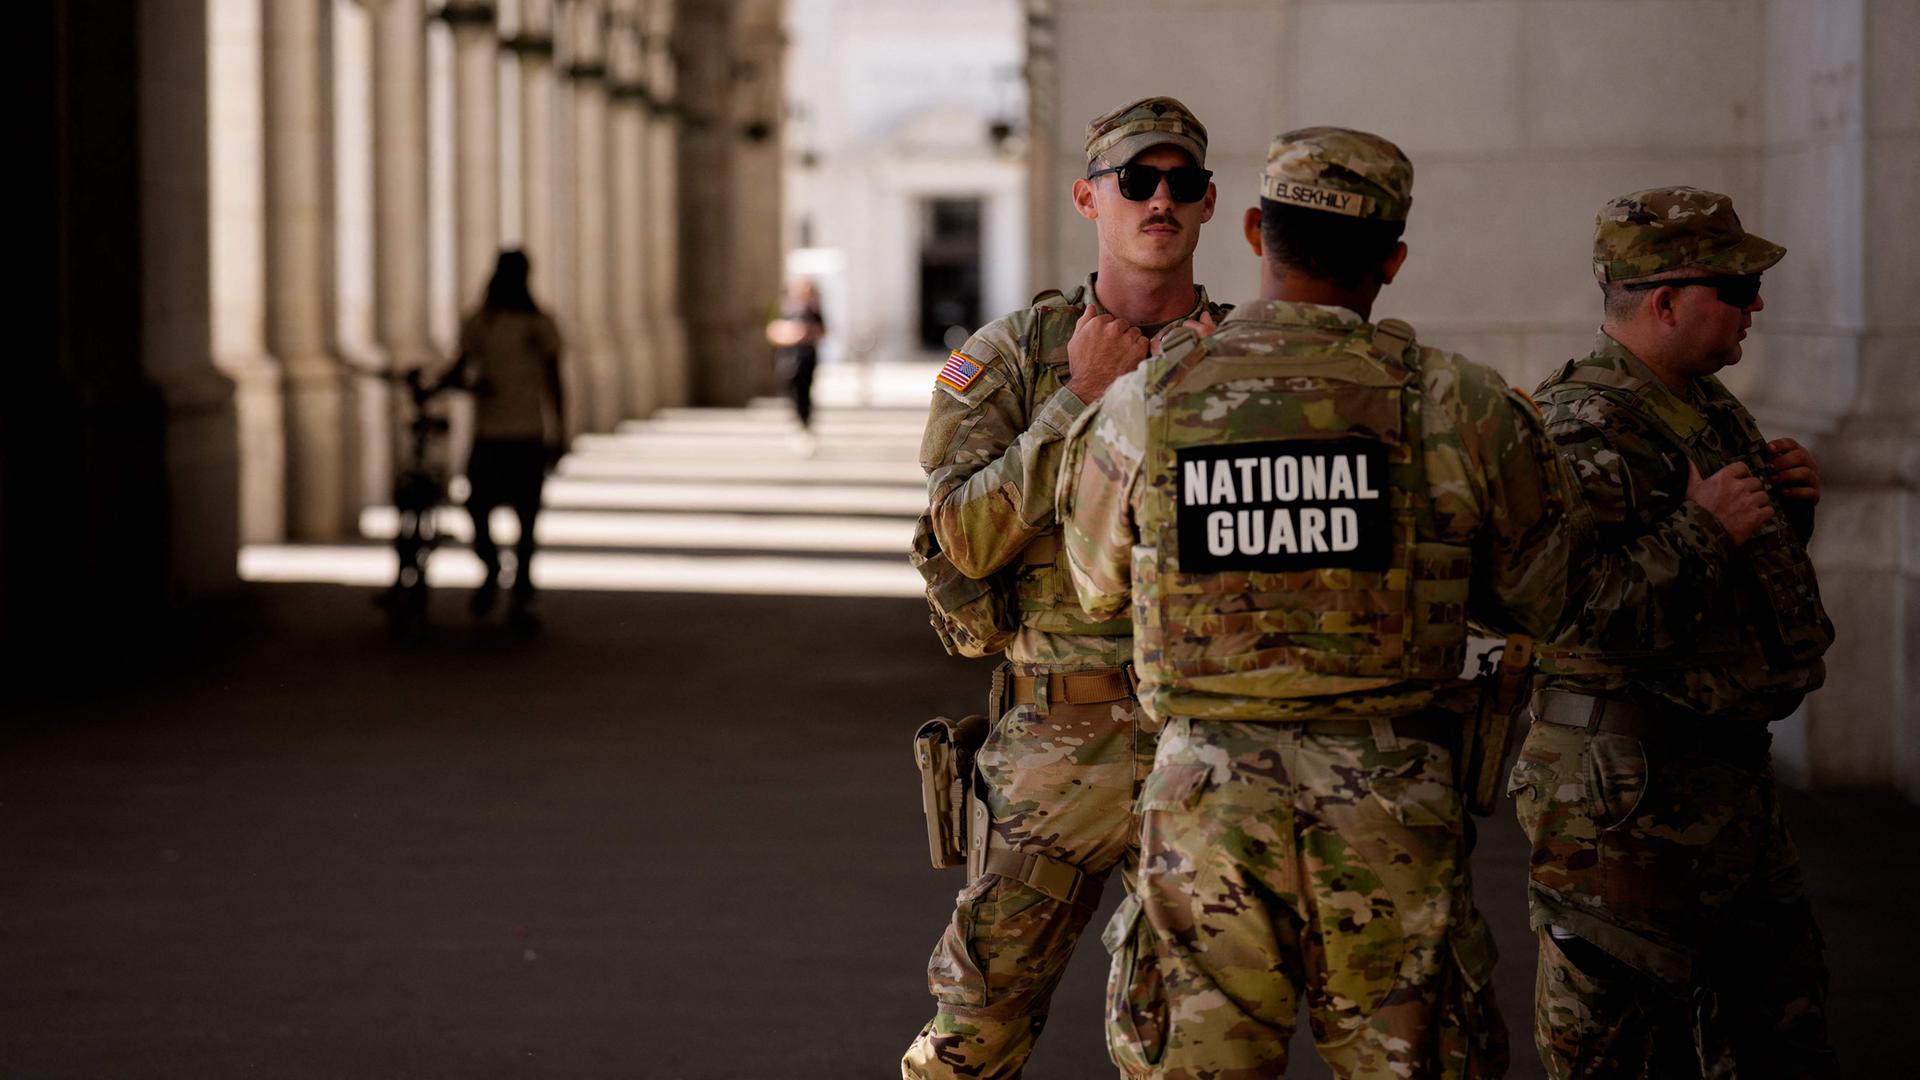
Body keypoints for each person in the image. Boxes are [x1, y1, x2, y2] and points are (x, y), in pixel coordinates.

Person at [1058, 126, 1583, 1077]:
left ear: (1256, 231)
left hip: (1203, 803)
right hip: (1392, 799)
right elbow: (1542, 599)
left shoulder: (1148, 401)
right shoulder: (1461, 404)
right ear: (1393, 258)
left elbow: (1095, 588)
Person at [904, 96, 1229, 1078]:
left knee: (1185, 1048)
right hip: (1054, 742)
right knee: (976, 1032)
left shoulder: (1246, 360)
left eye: (1181, 183)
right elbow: (962, 537)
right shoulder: (1014, 356)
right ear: (1090, 197)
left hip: (1205, 744)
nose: (1159, 199)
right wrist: (1077, 398)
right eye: (1137, 180)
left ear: (1210, 204)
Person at [1512, 187, 1838, 1077]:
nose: (1754, 307)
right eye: (1735, 287)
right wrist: (1706, 531)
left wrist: (1783, 516)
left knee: (1781, 1037)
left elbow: (1721, 600)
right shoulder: (1583, 425)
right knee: (1618, 1052)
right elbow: (1569, 615)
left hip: (1722, 787)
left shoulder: (1701, 403)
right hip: (1624, 806)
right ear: (1665, 301)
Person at [454, 249, 565, 630]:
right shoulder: (486, 323)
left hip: (514, 432)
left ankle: (512, 582)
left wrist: (559, 428)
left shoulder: (533, 325)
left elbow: (553, 374)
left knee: (504, 512)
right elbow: (462, 364)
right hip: (506, 432)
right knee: (497, 510)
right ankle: (502, 573)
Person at [767, 277, 826, 452]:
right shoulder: (786, 309)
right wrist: (789, 334)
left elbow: (822, 330)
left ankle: (805, 425)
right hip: (788, 357)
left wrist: (804, 333)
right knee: (790, 391)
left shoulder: (813, 309)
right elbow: (772, 330)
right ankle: (796, 423)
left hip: (806, 356)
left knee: (804, 392)